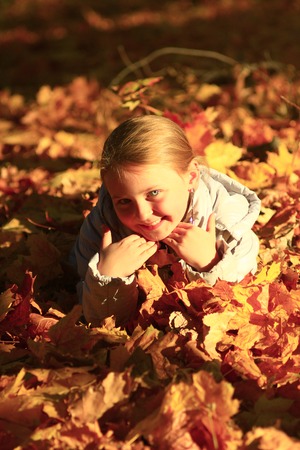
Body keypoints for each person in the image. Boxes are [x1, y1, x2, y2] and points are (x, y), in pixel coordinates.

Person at [74, 115, 261, 327]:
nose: (143, 214)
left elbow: (238, 311)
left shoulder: (227, 221)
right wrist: (108, 278)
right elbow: (100, 324)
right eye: (124, 201)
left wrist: (211, 263)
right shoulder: (102, 228)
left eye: (154, 192)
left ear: (190, 177)